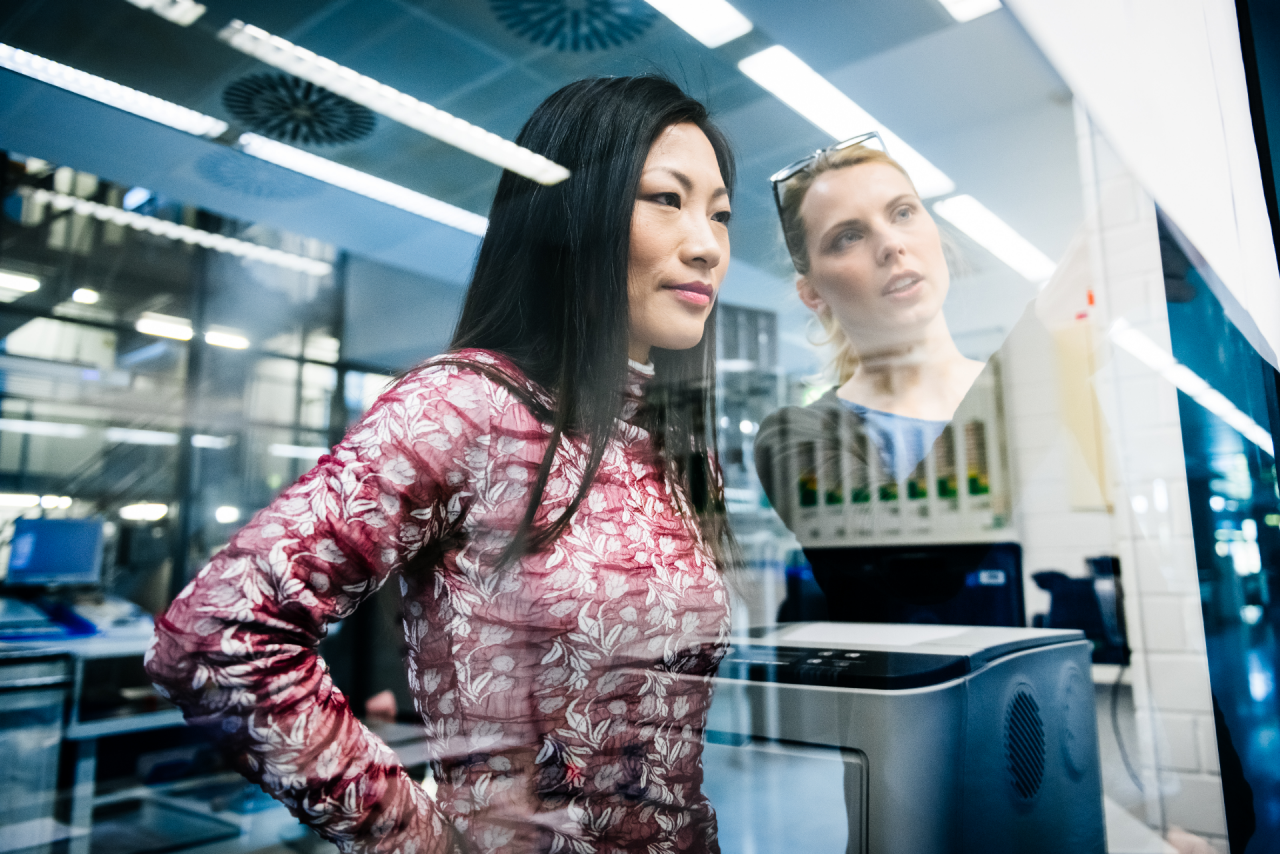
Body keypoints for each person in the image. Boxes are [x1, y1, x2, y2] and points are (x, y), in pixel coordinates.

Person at [146, 75, 738, 854]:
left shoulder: (676, 447)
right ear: (573, 214)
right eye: (667, 198)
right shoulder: (463, 409)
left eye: (721, 213)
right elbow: (218, 638)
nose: (707, 243)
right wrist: (418, 840)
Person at [755, 134, 984, 504]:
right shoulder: (799, 437)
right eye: (848, 237)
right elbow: (904, 542)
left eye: (903, 213)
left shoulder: (1031, 391)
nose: (891, 243)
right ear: (813, 293)